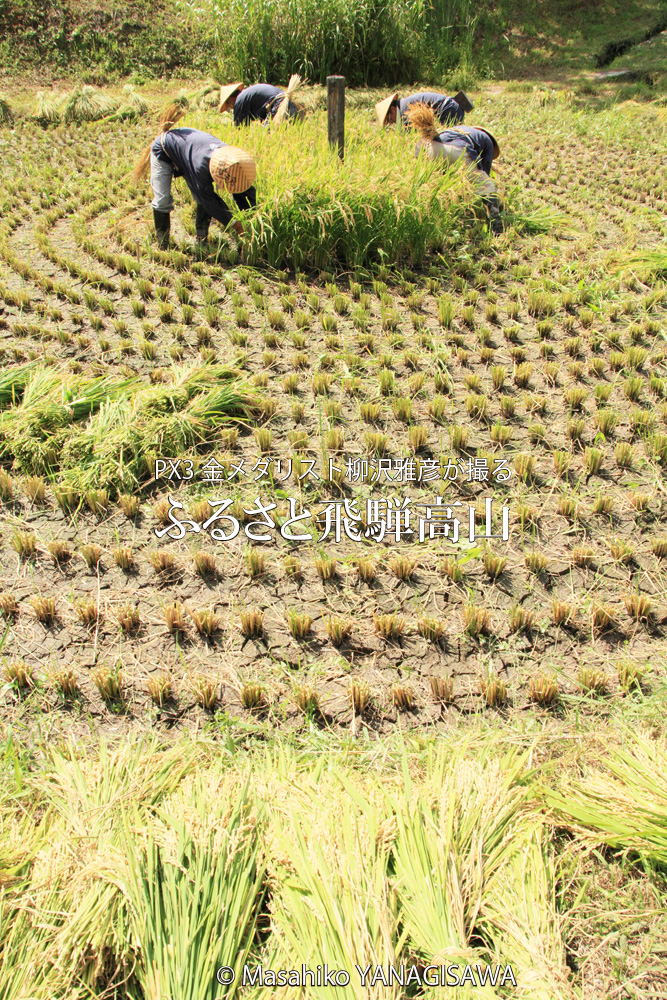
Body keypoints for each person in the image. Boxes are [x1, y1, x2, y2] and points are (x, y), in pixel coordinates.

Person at [132, 106, 256, 248]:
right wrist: (236, 225)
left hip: (189, 152)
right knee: (163, 199)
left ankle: (201, 239)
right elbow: (209, 200)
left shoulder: (232, 161)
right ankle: (163, 244)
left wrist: (251, 219)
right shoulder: (201, 167)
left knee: (202, 198)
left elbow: (245, 189)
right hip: (165, 150)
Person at [406, 103, 503, 235]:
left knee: (441, 183)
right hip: (455, 150)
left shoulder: (458, 130)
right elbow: (485, 170)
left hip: (430, 147)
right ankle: (496, 225)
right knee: (486, 184)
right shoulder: (488, 141)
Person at [223, 75, 304, 126]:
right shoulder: (247, 95)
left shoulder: (239, 100)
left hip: (280, 106)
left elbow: (239, 129)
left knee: (268, 136)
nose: (232, 109)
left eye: (228, 106)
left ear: (230, 99)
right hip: (289, 103)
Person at [376, 90, 473, 130]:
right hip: (452, 107)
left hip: (449, 109)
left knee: (448, 141)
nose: (392, 122)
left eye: (389, 119)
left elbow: (410, 135)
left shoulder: (406, 111)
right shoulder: (404, 105)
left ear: (393, 109)